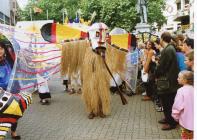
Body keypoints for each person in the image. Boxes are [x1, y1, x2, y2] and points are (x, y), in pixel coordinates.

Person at [155, 32, 179, 130]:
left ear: (162, 39)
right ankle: (168, 118)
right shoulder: (169, 48)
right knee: (168, 102)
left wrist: (156, 73)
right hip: (170, 80)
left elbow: (162, 67)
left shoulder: (168, 49)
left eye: (160, 38)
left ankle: (171, 123)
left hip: (168, 81)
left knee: (167, 102)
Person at [0, 41, 20, 139]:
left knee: (13, 113)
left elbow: (16, 70)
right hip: (1, 93)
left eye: (1, 48)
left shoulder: (9, 59)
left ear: (4, 50)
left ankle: (13, 132)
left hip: (12, 90)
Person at [172, 70, 194, 139]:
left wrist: (175, 117)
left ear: (185, 80)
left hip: (186, 122)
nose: (177, 79)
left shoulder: (181, 91)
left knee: (186, 137)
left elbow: (177, 107)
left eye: (179, 77)